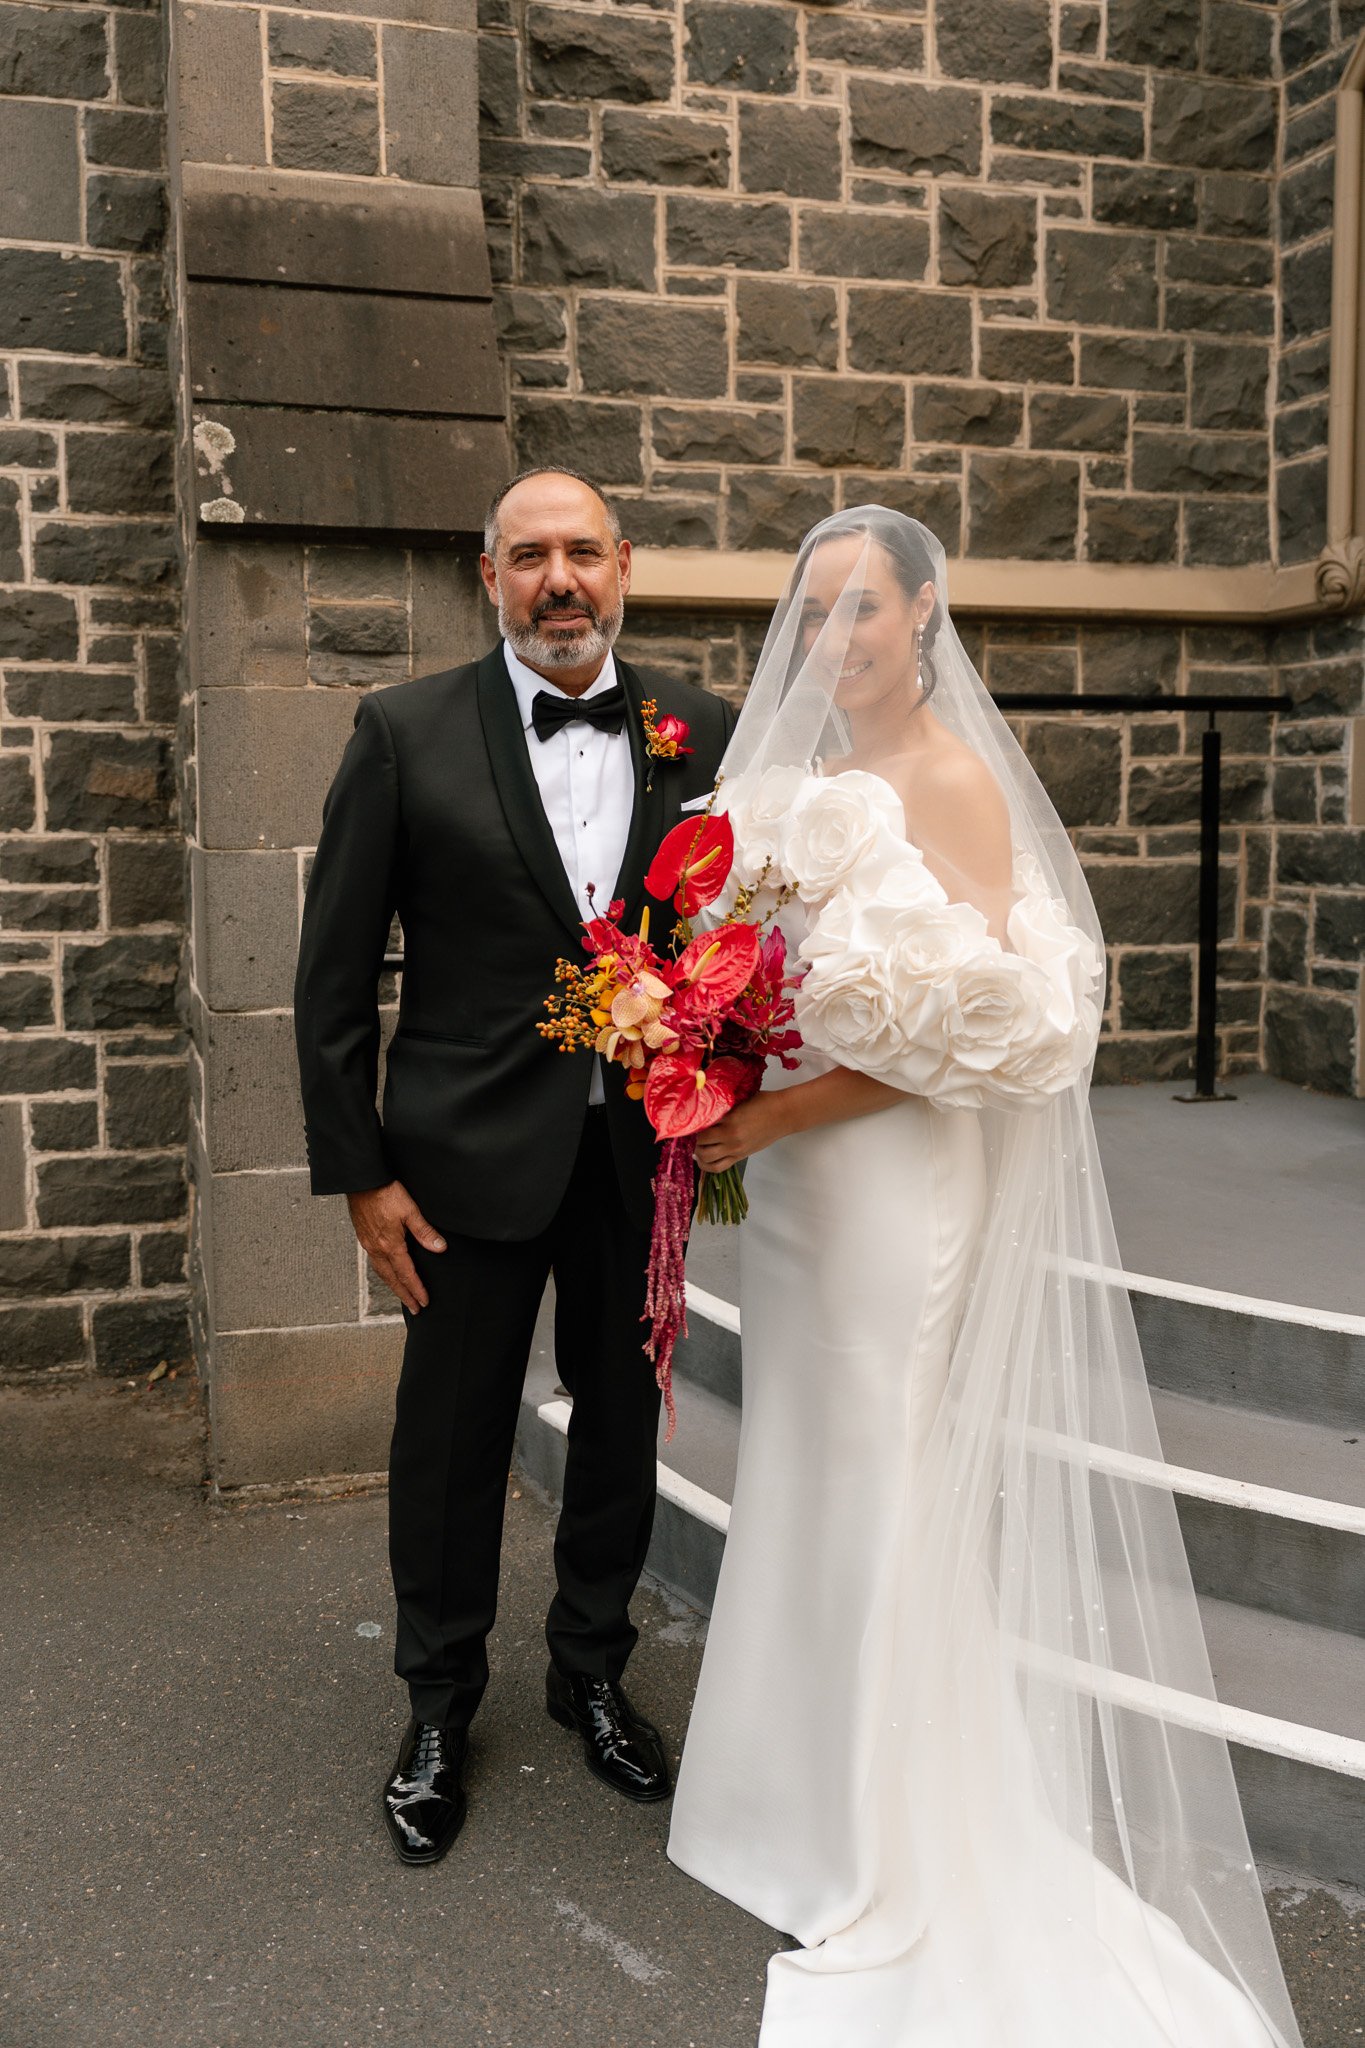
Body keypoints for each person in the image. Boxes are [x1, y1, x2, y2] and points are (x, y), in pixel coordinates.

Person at [666, 509, 1303, 2048]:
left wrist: (768, 1109)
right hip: (811, 1191)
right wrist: (696, 1041)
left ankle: (882, 1831)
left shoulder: (949, 780)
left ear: (927, 612)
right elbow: (777, 981)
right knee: (810, 1466)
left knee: (882, 1470)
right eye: (813, 614)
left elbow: (980, 1037)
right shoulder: (804, 784)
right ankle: (786, 1800)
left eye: (863, 610)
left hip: (889, 1183)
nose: (834, 641)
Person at [294, 467, 734, 1864]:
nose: (558, 579)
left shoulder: (701, 733)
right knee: (450, 1442)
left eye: (582, 553)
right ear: (488, 578)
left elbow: (742, 944)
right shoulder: (402, 731)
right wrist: (361, 1174)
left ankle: (591, 1673)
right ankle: (438, 1701)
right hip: (458, 1162)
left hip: (637, 1157)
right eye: (528, 555)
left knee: (620, 1425)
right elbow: (331, 979)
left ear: (624, 567)